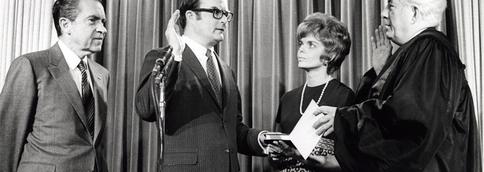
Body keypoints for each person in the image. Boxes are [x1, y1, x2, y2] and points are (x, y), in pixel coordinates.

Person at [312, 0, 482, 171]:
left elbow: (408, 122)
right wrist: (381, 73)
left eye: (391, 6)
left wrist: (344, 120)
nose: (383, 13)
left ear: (414, 12)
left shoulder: (431, 49)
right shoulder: (423, 50)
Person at [134, 0, 267, 171]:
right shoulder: (162, 58)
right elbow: (146, 108)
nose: (224, 20)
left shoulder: (227, 71)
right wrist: (176, 55)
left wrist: (261, 139)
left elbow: (232, 130)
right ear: (190, 16)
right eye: (216, 12)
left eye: (226, 14)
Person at [0, 0, 108, 171]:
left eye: (103, 22)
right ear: (65, 25)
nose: (103, 29)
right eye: (93, 20)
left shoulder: (102, 75)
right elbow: (7, 139)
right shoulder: (30, 65)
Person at [267, 13, 355, 172]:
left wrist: (301, 155)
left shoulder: (344, 96)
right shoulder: (288, 98)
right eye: (301, 43)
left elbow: (350, 161)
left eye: (311, 44)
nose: (301, 49)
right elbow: (276, 156)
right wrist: (274, 154)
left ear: (330, 55)